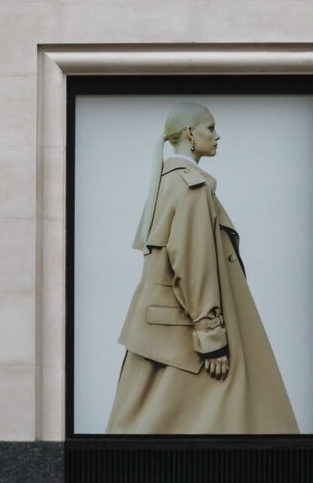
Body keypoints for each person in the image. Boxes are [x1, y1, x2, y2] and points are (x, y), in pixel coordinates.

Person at [106, 103, 299, 434]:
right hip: (190, 338)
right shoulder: (191, 188)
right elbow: (195, 266)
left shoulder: (166, 183)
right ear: (190, 133)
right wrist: (212, 340)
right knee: (232, 415)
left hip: (164, 332)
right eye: (210, 128)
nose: (217, 134)